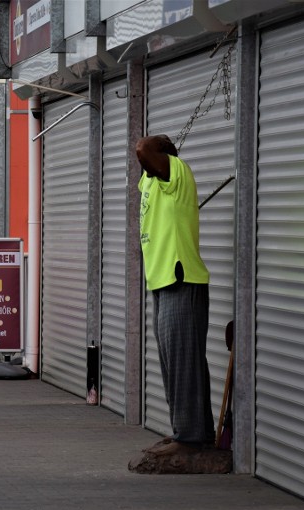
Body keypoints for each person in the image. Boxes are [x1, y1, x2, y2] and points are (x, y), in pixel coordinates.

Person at [136, 134, 214, 452]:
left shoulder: (177, 172)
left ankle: (193, 437)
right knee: (173, 363)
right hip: (162, 280)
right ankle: (184, 430)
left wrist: (161, 145)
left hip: (181, 277)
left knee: (185, 362)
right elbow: (144, 158)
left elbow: (143, 148)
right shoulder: (150, 182)